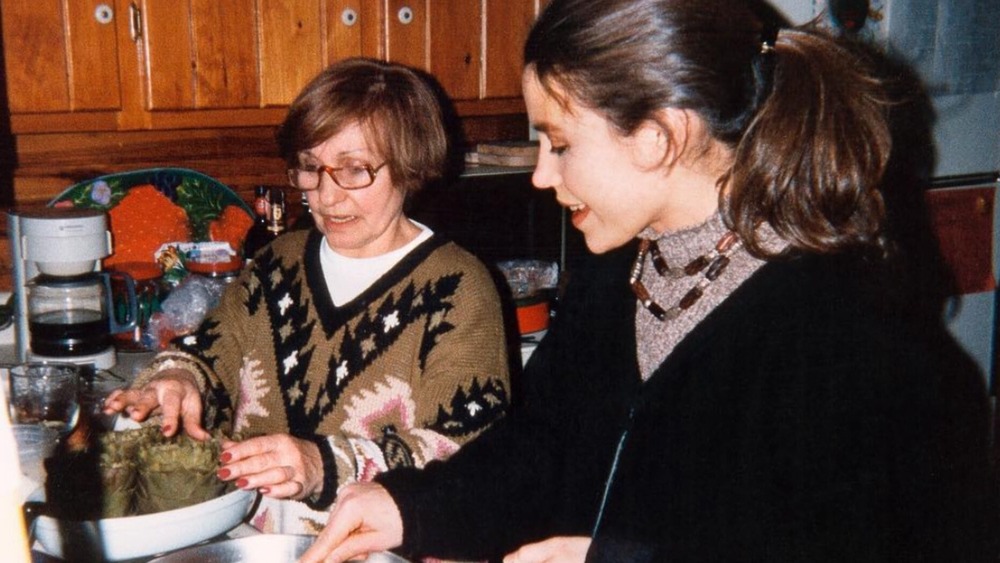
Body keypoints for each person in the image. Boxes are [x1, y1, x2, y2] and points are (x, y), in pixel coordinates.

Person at [300, 1, 997, 562]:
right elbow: (542, 447)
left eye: (561, 143)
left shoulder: (848, 325)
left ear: (659, 137)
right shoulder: (619, 268)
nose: (543, 174)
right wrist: (407, 505)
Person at [103, 58, 511, 535]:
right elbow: (212, 354)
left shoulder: (458, 287)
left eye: (355, 170)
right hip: (249, 538)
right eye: (311, 169)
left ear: (409, 166)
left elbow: (469, 456)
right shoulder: (279, 262)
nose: (326, 196)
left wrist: (322, 465)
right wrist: (177, 381)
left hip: (376, 548)